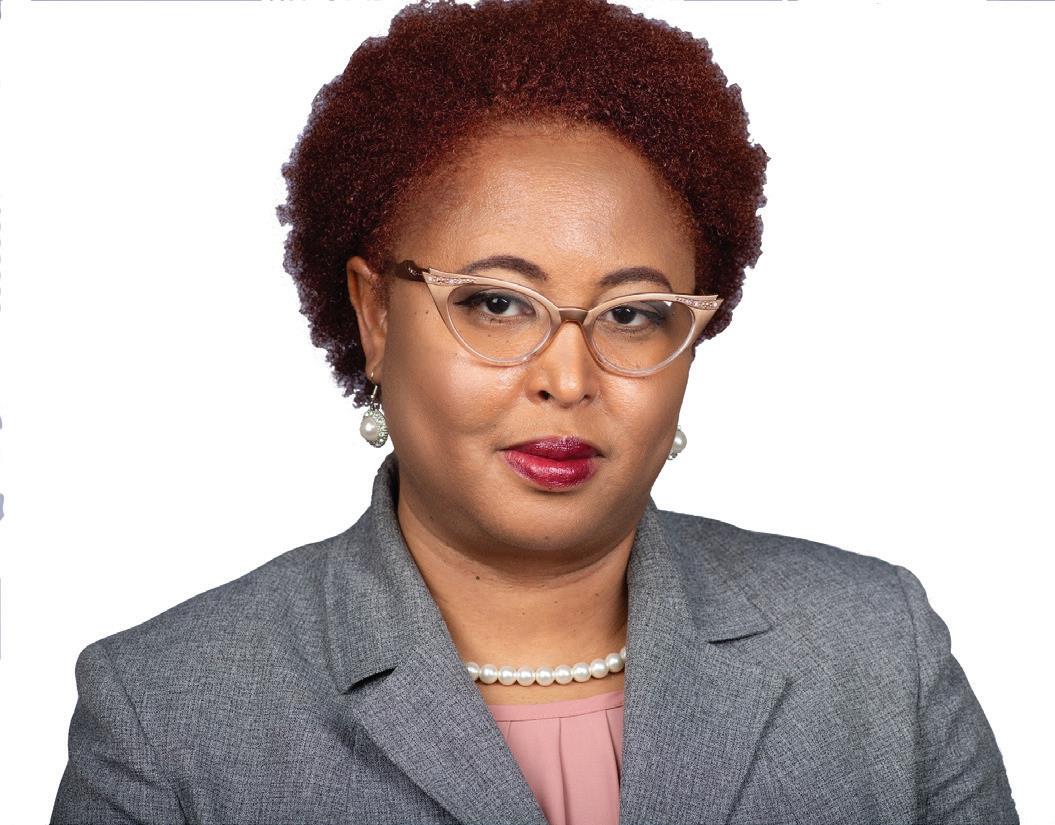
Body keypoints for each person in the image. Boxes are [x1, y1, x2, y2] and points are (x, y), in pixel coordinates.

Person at [50, 1, 1019, 823]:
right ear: (375, 316)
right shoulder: (168, 715)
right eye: (495, 303)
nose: (567, 376)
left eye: (632, 314)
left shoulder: (876, 654)